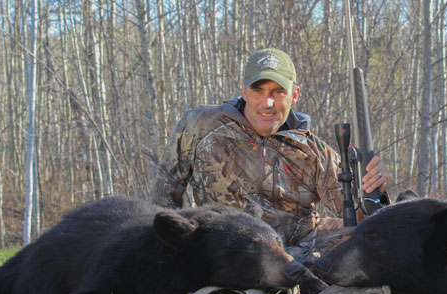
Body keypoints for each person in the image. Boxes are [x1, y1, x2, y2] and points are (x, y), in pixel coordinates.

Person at [151, 48, 390, 253]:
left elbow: (360, 218)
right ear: (244, 91)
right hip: (225, 251)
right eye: (259, 90)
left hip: (296, 254)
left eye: (278, 92)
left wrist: (373, 188)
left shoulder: (315, 152)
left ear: (294, 94)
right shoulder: (201, 125)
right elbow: (165, 193)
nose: (268, 103)